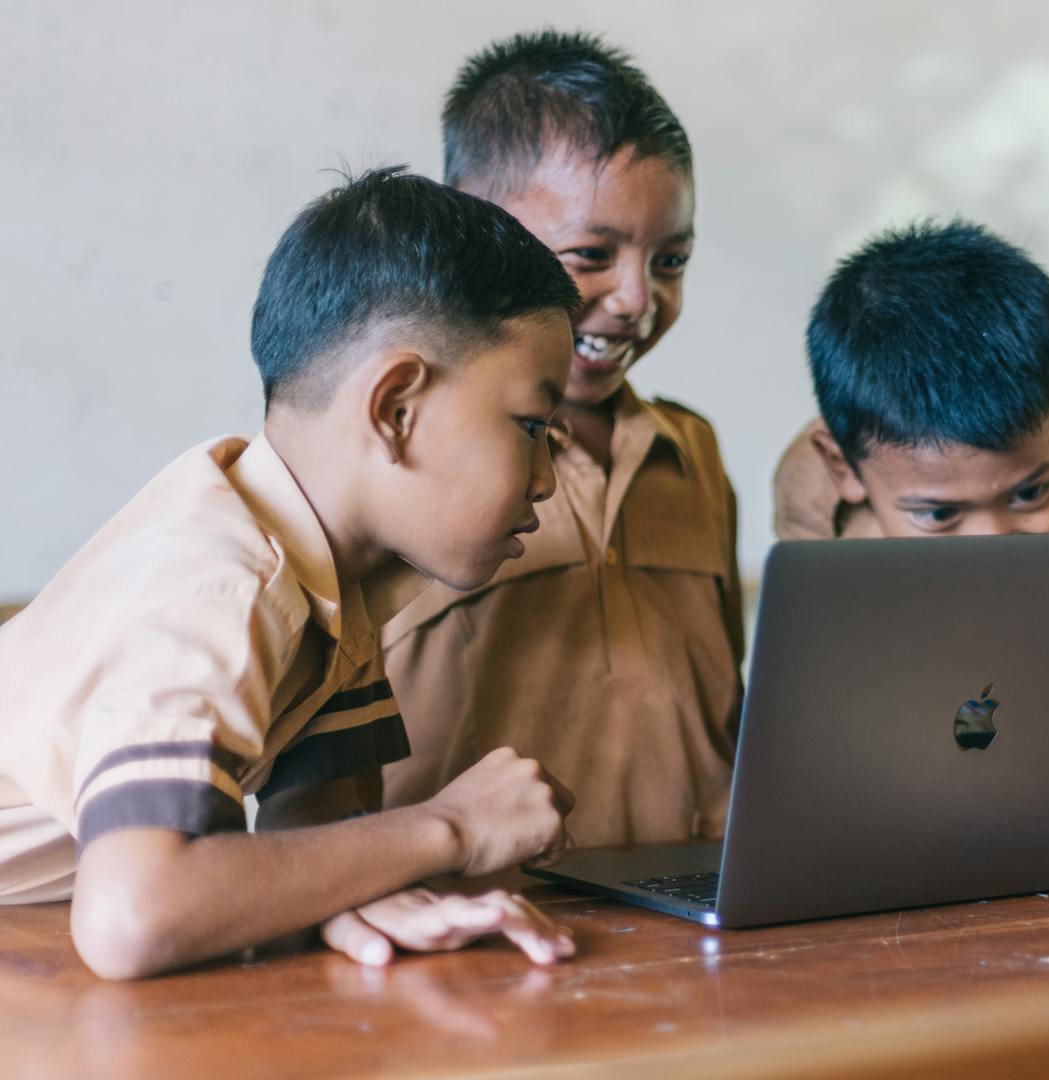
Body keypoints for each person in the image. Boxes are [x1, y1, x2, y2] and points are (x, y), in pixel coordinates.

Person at [0, 169, 580, 978]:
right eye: (533, 425)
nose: (548, 477)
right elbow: (132, 915)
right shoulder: (220, 583)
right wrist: (449, 826)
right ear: (396, 408)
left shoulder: (333, 568)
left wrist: (362, 886)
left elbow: (315, 819)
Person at [382, 32, 743, 847]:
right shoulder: (392, 456)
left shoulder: (691, 455)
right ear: (473, 231)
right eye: (592, 254)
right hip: (474, 925)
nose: (636, 300)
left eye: (671, 259)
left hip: (693, 920)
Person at [772, 219, 1049, 540]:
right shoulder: (807, 496)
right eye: (939, 515)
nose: (991, 546)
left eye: (1030, 494)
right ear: (843, 469)